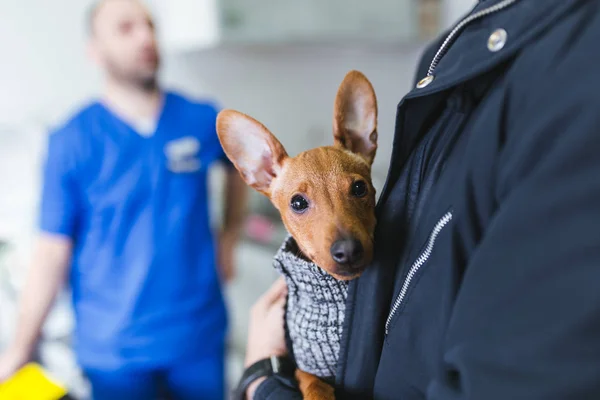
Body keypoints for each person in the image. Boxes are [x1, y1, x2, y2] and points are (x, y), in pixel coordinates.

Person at [241, 0, 600, 399]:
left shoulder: (573, 64)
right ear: (260, 175)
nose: (342, 237)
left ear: (365, 141)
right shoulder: (455, 46)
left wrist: (263, 378)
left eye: (358, 189)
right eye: (300, 204)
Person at [0, 0, 247, 399]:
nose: (146, 37)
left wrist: (230, 235)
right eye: (126, 28)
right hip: (114, 353)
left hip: (197, 339)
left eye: (149, 25)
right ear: (94, 50)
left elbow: (239, 166)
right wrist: (20, 349)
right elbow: (50, 252)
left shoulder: (201, 118)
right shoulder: (72, 140)